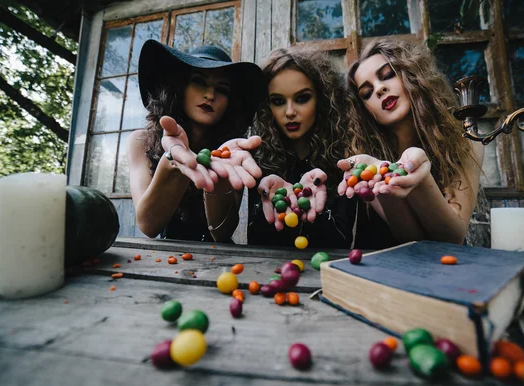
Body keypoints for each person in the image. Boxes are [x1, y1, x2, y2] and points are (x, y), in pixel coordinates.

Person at [339, 38, 485, 249]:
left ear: (412, 75)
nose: (379, 89)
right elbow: (409, 237)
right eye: (367, 93)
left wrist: (421, 179)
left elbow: (453, 237)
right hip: (377, 272)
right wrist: (385, 182)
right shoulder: (363, 156)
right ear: (365, 111)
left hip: (446, 271)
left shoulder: (466, 142)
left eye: (388, 75)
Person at [127, 40, 267, 242]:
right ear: (180, 86)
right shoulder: (141, 141)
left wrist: (218, 182)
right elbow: (149, 226)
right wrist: (173, 161)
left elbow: (222, 233)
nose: (210, 95)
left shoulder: (232, 153)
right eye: (199, 81)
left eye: (223, 89)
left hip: (218, 264)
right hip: (166, 261)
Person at [246, 47, 356, 248]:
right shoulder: (255, 160)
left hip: (326, 274)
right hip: (263, 274)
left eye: (302, 98)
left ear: (321, 99)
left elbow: (343, 238)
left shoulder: (345, 158)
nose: (289, 112)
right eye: (278, 101)